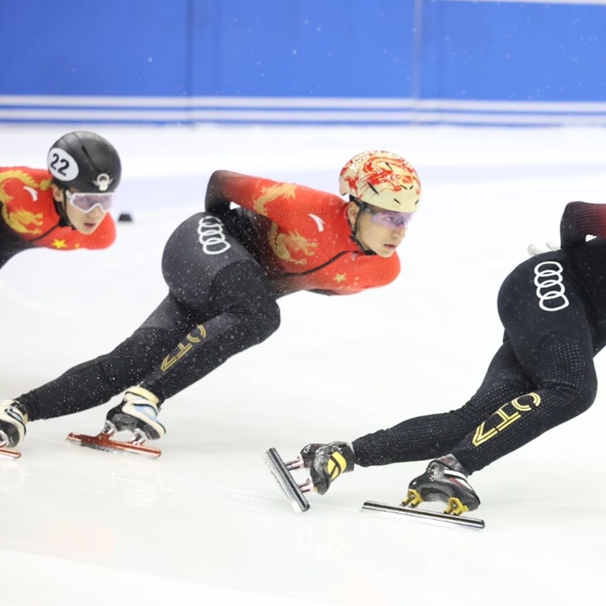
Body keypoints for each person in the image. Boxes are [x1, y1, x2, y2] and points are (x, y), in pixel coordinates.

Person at [288, 163, 606, 516]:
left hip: (577, 328)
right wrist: (564, 266)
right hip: (548, 286)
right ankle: (453, 468)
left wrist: (573, 329)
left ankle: (337, 454)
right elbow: (576, 215)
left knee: (476, 417)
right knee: (575, 389)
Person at [0, 151, 420, 453]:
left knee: (132, 359)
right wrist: (221, 233)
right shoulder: (300, 204)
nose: (398, 230)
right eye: (387, 216)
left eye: (405, 219)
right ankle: (144, 399)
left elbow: (318, 283)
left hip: (232, 290)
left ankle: (18, 411)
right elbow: (221, 181)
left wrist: (236, 285)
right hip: (206, 243)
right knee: (261, 315)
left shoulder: (383, 271)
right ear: (353, 208)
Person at [0, 131, 121, 270]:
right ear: (57, 192)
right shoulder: (21, 187)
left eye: (105, 200)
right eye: (84, 200)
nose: (95, 213)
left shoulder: (102, 235)